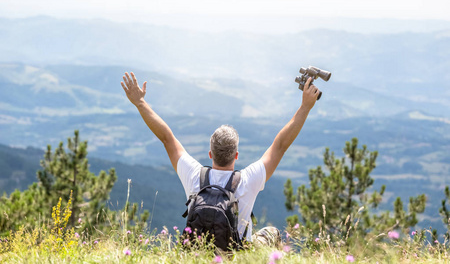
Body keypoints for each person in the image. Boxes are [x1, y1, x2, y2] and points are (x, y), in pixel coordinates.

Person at [121, 71, 319, 247]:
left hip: (200, 255)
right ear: (236, 155)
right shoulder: (249, 180)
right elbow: (280, 146)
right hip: (238, 256)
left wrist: (140, 102)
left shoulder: (194, 175)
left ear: (210, 154)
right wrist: (305, 106)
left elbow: (167, 138)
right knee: (272, 233)